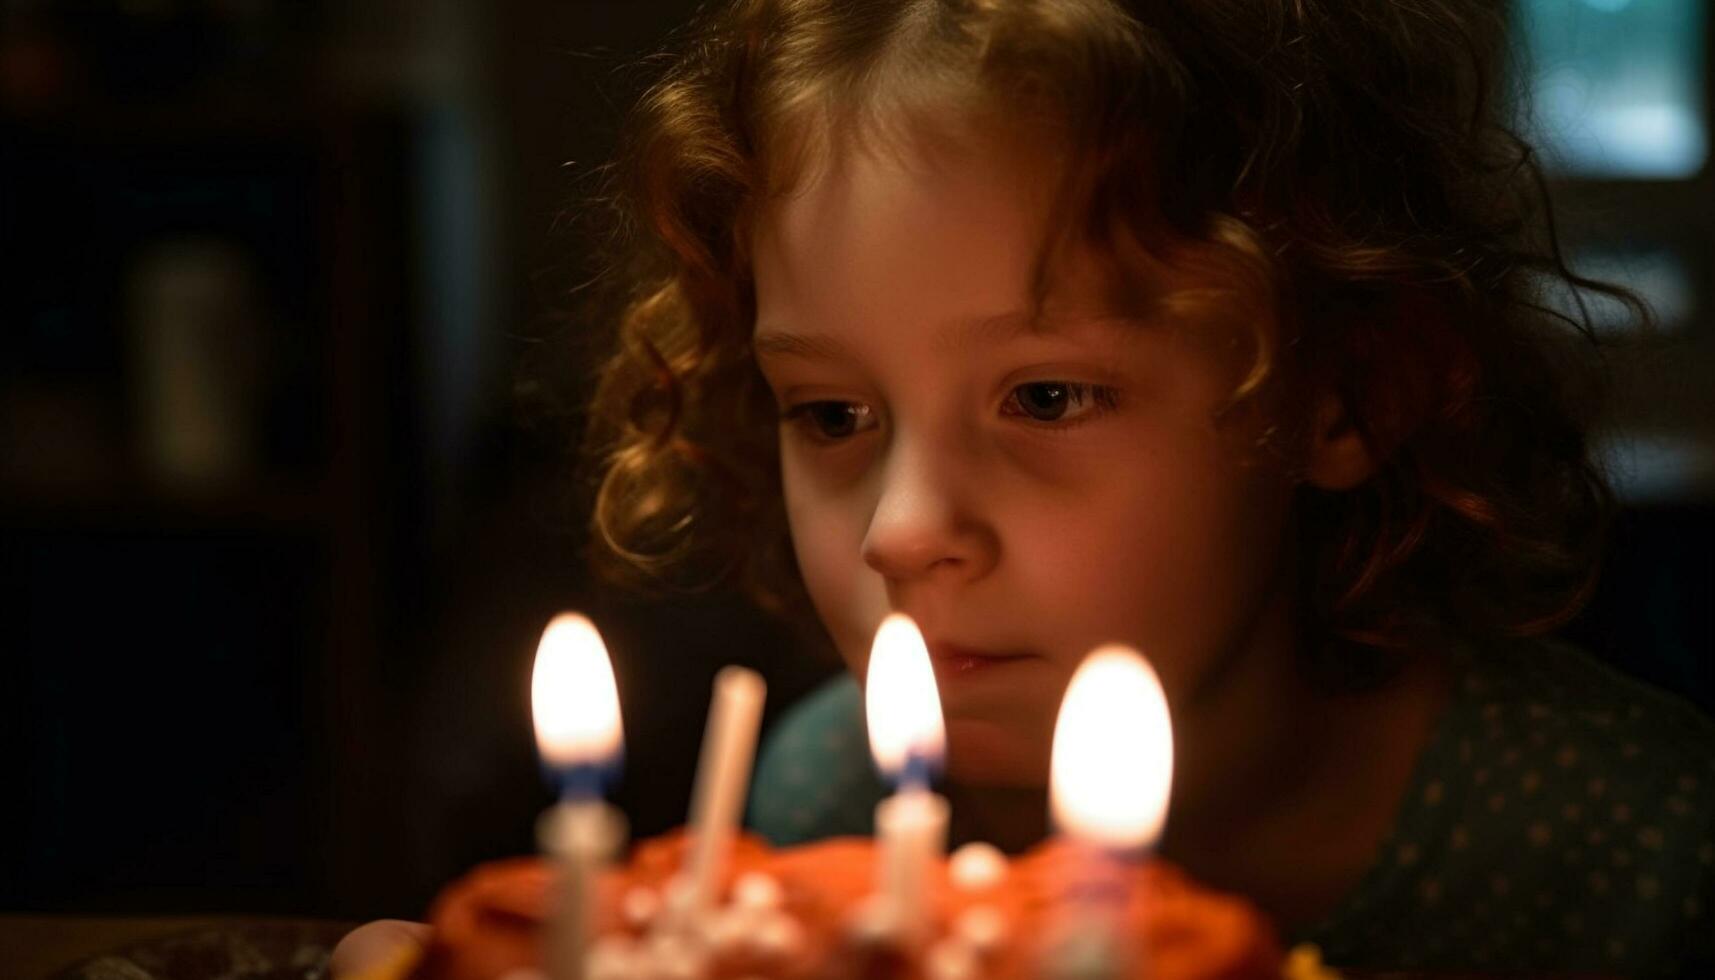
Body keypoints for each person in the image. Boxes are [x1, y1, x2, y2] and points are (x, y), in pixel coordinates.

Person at [336, 1, 1715, 976]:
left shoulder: (1642, 855)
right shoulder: (826, 810)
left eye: (1046, 397)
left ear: (1348, 394)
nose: (901, 532)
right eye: (832, 413)